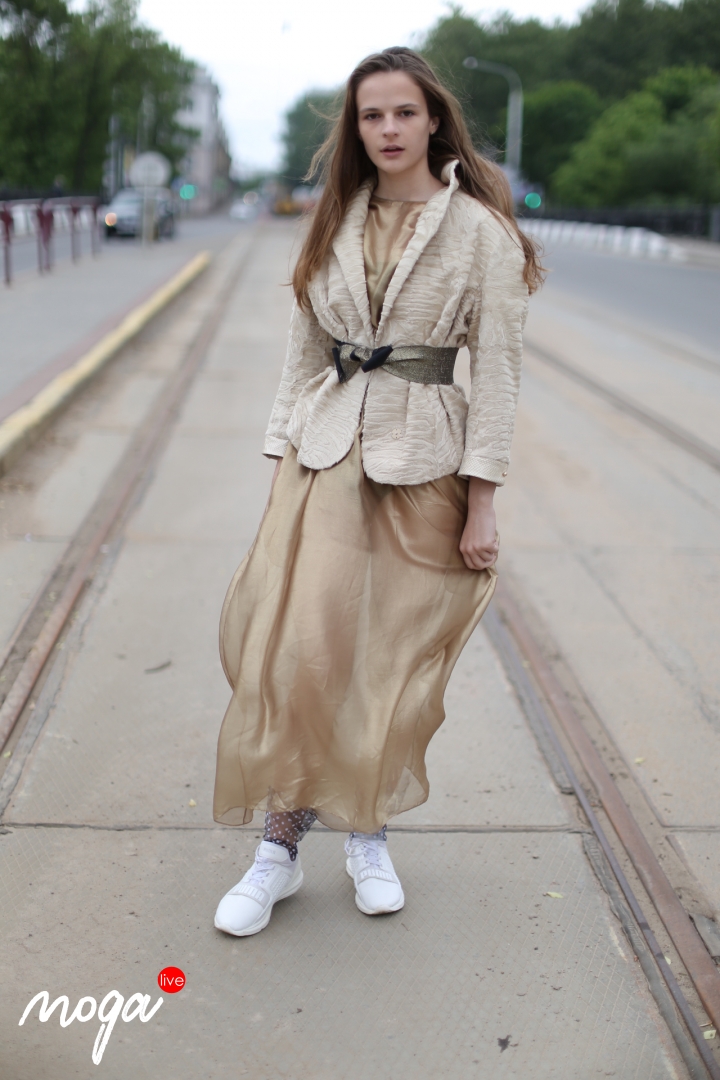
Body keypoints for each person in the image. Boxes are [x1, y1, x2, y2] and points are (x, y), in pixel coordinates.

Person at [213, 46, 542, 937]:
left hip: (425, 468)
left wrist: (483, 500)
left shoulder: (481, 231)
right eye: (371, 115)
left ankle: (367, 834)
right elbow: (303, 356)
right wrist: (281, 467)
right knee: (302, 656)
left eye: (403, 112)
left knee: (385, 665)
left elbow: (499, 376)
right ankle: (278, 851)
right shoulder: (332, 219)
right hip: (323, 463)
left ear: (434, 119)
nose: (388, 129)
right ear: (355, 129)